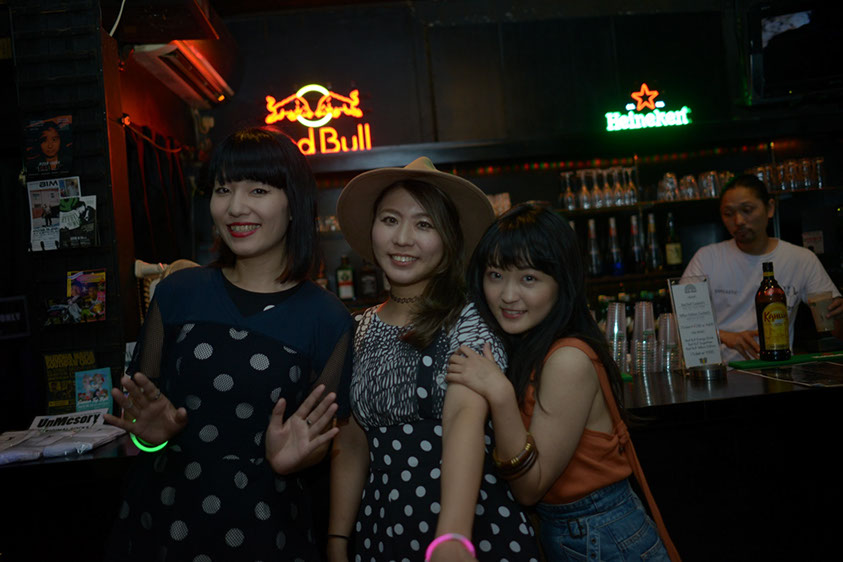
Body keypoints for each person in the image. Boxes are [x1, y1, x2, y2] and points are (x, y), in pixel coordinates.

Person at [103, 127, 353, 561]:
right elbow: (142, 421)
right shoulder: (177, 293)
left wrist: (299, 459)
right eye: (223, 189)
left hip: (266, 530)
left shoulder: (327, 318)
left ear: (294, 204)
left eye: (258, 190)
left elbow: (328, 440)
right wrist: (151, 440)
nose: (236, 207)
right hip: (162, 523)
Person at [328, 158, 540, 562]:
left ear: (448, 240)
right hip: (383, 528)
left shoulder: (469, 319)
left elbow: (464, 414)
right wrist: (337, 538)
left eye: (424, 225)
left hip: (469, 524)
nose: (402, 238)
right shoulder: (357, 329)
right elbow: (352, 443)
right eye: (390, 220)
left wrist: (452, 536)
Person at [446, 204, 680, 562]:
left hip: (601, 534)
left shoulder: (567, 360)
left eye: (529, 279)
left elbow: (530, 488)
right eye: (495, 275)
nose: (507, 295)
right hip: (581, 532)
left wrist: (500, 393)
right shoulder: (530, 345)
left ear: (562, 283)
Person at [681, 174, 842, 361]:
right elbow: (682, 323)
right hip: (722, 372)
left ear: (770, 208)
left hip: (779, 368)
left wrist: (839, 315)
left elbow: (836, 330)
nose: (738, 220)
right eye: (728, 213)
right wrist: (724, 336)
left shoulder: (800, 259)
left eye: (747, 210)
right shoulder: (706, 258)